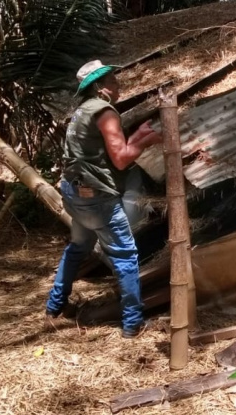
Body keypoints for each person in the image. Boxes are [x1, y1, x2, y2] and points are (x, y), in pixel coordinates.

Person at [45, 60, 162, 338]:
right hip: (98, 199)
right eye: (113, 81)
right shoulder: (106, 112)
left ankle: (54, 307)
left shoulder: (82, 111)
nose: (118, 85)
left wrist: (136, 135)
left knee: (78, 247)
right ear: (101, 88)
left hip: (75, 193)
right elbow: (121, 160)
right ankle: (132, 323)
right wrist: (147, 141)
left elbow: (107, 151)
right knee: (125, 257)